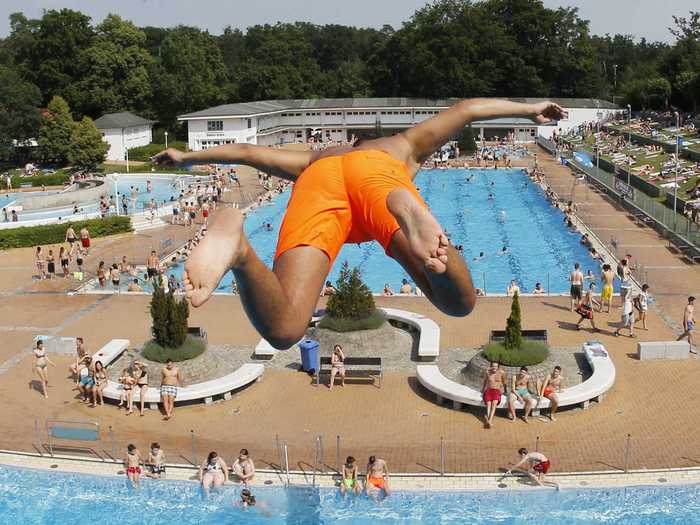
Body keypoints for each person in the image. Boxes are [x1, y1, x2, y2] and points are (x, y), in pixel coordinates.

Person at [153, 99, 564, 349]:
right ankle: (431, 245)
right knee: (458, 303)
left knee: (284, 329)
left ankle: (240, 250)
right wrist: (530, 110)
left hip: (320, 183)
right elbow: (468, 110)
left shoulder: (318, 156)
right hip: (381, 181)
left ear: (351, 142)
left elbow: (245, 151)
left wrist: (186, 157)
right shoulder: (401, 146)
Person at [482, 361, 506, 428]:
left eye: (495, 366)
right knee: (488, 404)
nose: (494, 367)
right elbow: (485, 381)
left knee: (494, 404)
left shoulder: (502, 373)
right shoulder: (488, 373)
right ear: (491, 366)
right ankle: (489, 421)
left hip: (497, 390)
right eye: (493, 366)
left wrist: (504, 390)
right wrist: (483, 389)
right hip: (489, 390)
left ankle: (489, 420)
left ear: (498, 367)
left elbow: (504, 382)